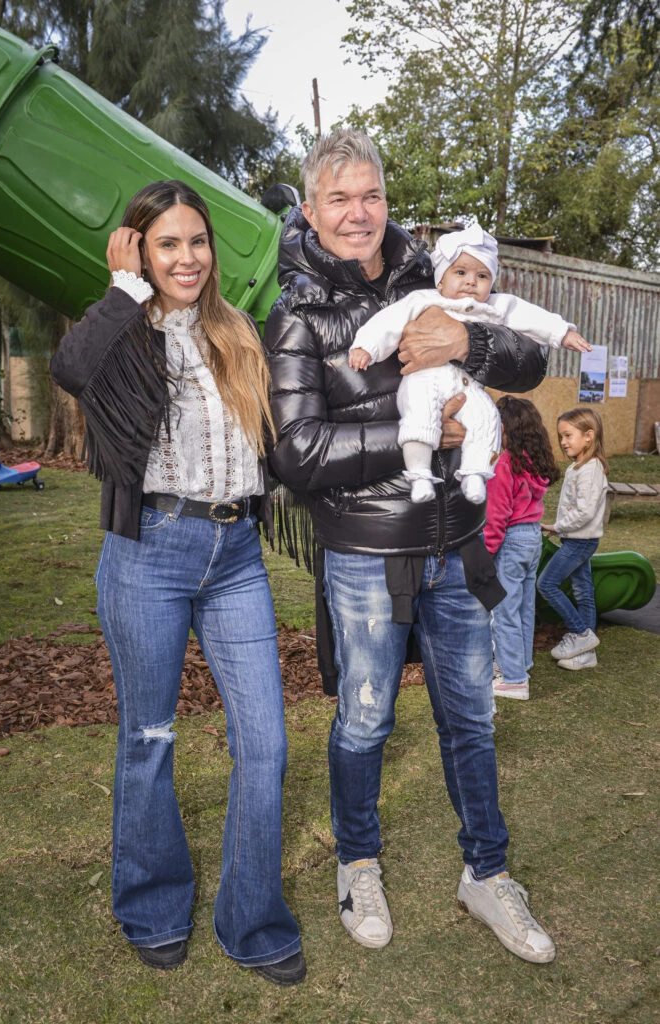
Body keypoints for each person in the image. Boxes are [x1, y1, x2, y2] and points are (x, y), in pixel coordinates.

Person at [263, 128, 556, 964]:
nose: (358, 214)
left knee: (471, 720)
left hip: (457, 544)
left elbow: (528, 361)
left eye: (372, 196)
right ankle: (357, 864)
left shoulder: (434, 276)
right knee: (364, 720)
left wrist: (469, 343)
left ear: (387, 200)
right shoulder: (294, 315)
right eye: (338, 199)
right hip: (363, 553)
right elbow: (296, 454)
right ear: (310, 209)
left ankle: (486, 873)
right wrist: (417, 438)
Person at [50, 180, 305, 986]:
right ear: (137, 250)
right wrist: (123, 289)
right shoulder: (121, 333)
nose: (187, 257)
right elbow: (69, 369)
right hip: (149, 552)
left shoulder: (238, 332)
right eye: (167, 243)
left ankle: (251, 918)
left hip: (236, 556)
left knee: (265, 744)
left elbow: (283, 436)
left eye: (197, 241)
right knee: (150, 738)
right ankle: (153, 908)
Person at [349, 223, 590, 505]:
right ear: (441, 280)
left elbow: (532, 317)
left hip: (466, 386)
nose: (471, 281)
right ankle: (419, 473)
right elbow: (388, 322)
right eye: (460, 272)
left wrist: (562, 333)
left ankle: (475, 473)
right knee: (419, 415)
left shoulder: (496, 305)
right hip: (423, 380)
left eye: (482, 275)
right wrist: (366, 346)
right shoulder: (423, 300)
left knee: (486, 417)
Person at [485, 397, 561, 700]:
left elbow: (497, 516)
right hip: (532, 538)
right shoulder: (533, 461)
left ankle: (514, 679)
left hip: (512, 541)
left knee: (504, 610)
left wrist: (486, 554)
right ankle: (521, 663)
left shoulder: (505, 464)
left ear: (506, 427)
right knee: (524, 607)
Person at [538, 407, 609, 671]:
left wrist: (557, 526)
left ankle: (581, 634)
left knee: (546, 584)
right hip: (577, 539)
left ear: (588, 436)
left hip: (580, 541)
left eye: (568, 435)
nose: (563, 442)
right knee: (583, 591)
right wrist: (560, 529)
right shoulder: (579, 467)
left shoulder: (590, 470)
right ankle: (586, 655)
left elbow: (584, 512)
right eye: (561, 437)